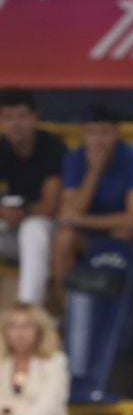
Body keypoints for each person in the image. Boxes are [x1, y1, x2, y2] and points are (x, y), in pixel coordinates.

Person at [54, 106, 133, 301]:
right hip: (91, 232)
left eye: (105, 133)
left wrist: (81, 220)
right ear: (83, 135)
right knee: (63, 238)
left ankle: (124, 308)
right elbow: (70, 212)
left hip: (132, 231)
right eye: (91, 133)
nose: (98, 140)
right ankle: (69, 307)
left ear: (117, 134)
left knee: (122, 236)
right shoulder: (75, 158)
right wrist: (94, 172)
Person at [0, 90, 63, 307]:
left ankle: (29, 310)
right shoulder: (2, 148)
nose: (15, 124)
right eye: (8, 117)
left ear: (35, 117)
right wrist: (4, 212)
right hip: (11, 229)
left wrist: (22, 212)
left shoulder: (52, 146)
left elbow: (50, 207)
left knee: (33, 229)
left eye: (22, 116)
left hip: (52, 231)